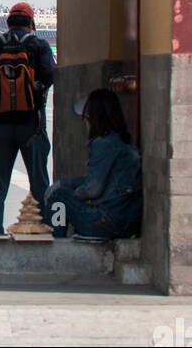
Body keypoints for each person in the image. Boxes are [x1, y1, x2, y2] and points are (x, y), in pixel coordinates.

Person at [0, 2, 56, 236]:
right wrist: (34, 90)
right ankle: (45, 226)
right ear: (31, 23)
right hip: (31, 123)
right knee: (38, 178)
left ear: (8, 23)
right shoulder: (38, 45)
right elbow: (50, 73)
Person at [45, 89, 142, 240]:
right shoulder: (123, 141)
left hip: (107, 222)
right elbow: (100, 178)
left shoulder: (102, 143)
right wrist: (66, 183)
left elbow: (93, 189)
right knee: (64, 191)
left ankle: (56, 243)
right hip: (128, 222)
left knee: (60, 196)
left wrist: (73, 192)